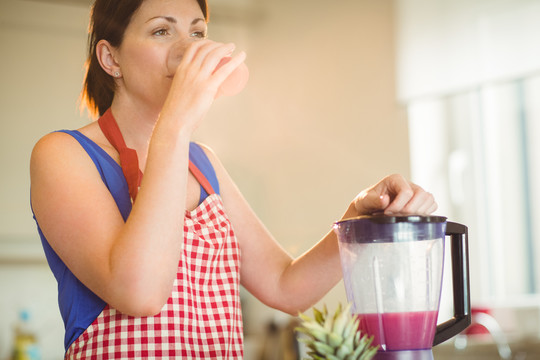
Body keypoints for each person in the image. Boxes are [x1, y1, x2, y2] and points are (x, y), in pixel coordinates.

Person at [29, 0, 437, 358]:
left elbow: (286, 286)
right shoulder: (63, 155)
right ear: (110, 58)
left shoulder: (202, 163)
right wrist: (175, 125)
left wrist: (358, 218)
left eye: (198, 33)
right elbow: (140, 293)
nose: (187, 51)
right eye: (161, 31)